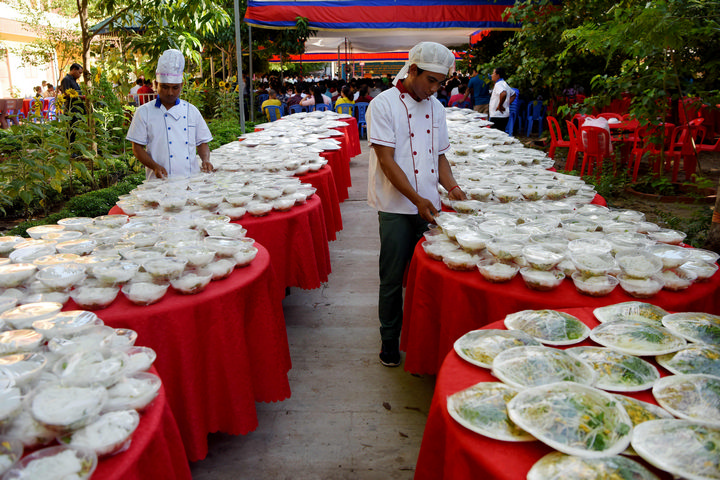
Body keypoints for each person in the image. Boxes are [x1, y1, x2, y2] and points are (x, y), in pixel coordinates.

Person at [367, 41, 466, 367]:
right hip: (396, 206)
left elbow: (439, 156)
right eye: (431, 81)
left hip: (430, 205)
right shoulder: (383, 105)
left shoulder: (436, 108)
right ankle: (389, 339)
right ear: (412, 71)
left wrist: (452, 187)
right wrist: (417, 199)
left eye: (441, 82)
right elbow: (387, 160)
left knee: (431, 277)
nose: (436, 89)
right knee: (393, 278)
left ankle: (426, 338)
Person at [126, 49, 213, 179]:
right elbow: (137, 148)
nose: (170, 93)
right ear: (156, 84)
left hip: (191, 180)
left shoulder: (191, 111)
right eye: (165, 87)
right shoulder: (144, 112)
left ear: (181, 85)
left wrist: (205, 159)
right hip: (160, 182)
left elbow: (202, 143)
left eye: (175, 88)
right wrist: (154, 166)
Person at [59, 63, 85, 149]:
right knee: (71, 130)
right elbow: (66, 94)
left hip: (77, 108)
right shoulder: (66, 80)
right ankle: (70, 149)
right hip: (71, 109)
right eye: (79, 72)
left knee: (75, 129)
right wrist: (82, 97)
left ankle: (73, 148)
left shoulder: (73, 80)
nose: (80, 75)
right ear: (73, 70)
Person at [488, 67, 516, 132]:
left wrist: (500, 105)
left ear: (497, 75)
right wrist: (506, 103)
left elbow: (503, 93)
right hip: (504, 115)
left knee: (495, 135)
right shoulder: (504, 83)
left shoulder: (498, 84)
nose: (492, 75)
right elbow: (513, 94)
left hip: (497, 115)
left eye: (493, 73)